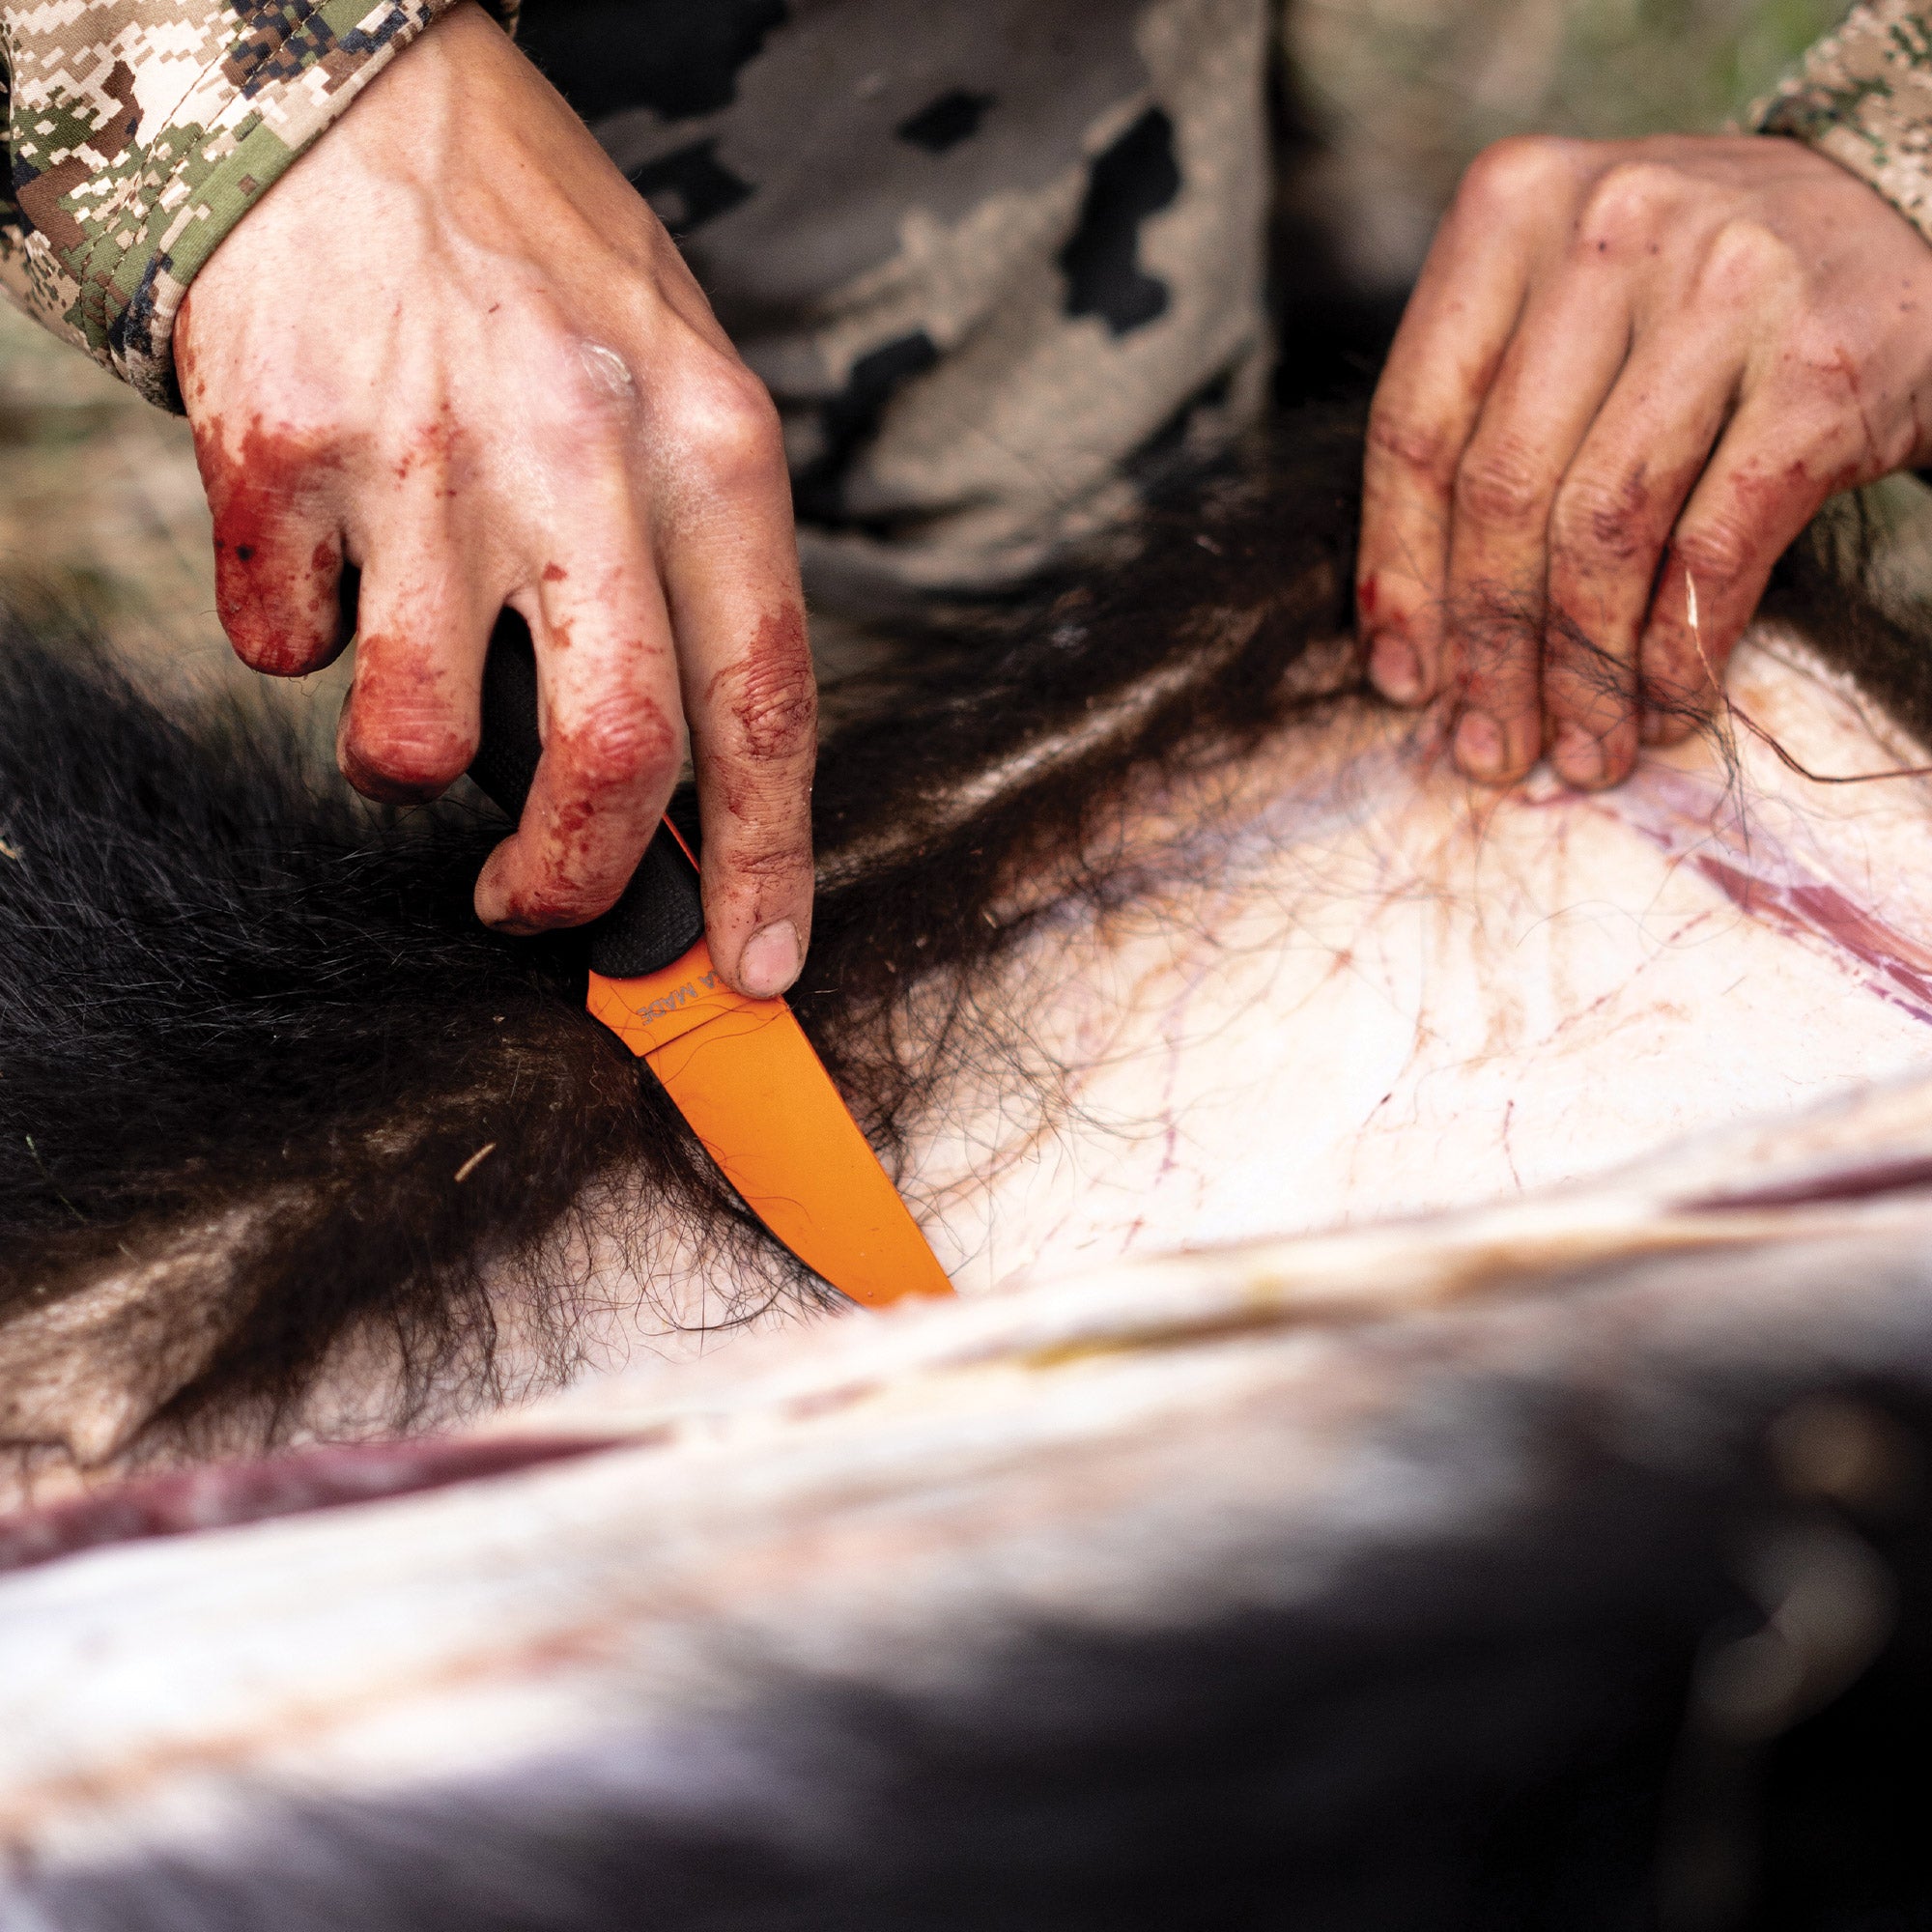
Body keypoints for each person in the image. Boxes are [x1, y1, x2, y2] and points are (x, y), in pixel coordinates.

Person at [1, 0, 1929, 995]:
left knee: (1011, 858)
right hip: (245, 202)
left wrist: (1897, 162)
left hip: (962, 169)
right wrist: (244, 81)